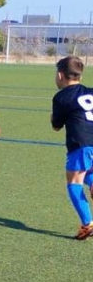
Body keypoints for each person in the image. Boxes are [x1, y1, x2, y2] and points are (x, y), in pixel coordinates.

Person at [50, 55, 93, 239]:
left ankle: (87, 224)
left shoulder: (61, 97)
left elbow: (56, 126)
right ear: (80, 76)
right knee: (89, 174)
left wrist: (53, 117)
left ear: (60, 75)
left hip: (81, 144)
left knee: (74, 183)